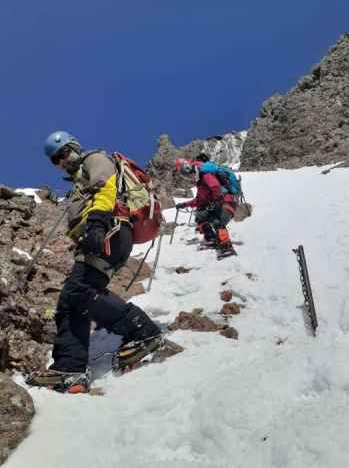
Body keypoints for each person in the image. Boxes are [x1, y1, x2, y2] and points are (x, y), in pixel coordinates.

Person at [27, 131, 162, 393]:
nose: (62, 161)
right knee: (72, 299)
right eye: (56, 160)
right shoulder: (79, 181)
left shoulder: (95, 159)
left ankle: (144, 333)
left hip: (109, 231)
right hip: (99, 236)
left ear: (75, 147)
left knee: (80, 292)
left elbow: (106, 188)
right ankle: (70, 369)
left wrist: (97, 225)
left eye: (64, 152)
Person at [175, 158, 236, 255]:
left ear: (186, 167)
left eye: (183, 172)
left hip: (227, 202)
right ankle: (211, 239)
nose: (186, 176)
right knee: (200, 216)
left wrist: (217, 201)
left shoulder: (204, 174)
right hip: (220, 202)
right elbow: (199, 200)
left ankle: (226, 246)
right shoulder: (200, 180)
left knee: (218, 220)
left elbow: (215, 186)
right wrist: (184, 204)